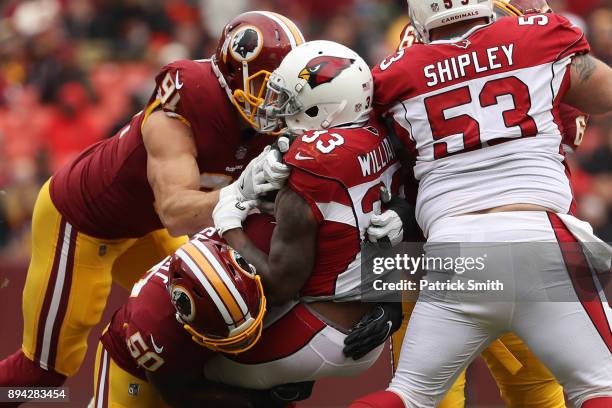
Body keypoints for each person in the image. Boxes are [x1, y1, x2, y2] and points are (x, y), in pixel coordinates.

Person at [0, 11, 304, 391]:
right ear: (231, 74)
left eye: (282, 90)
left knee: (212, 314)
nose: (274, 103)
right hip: (83, 222)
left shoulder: (274, 122)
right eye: (265, 87)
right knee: (44, 375)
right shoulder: (188, 99)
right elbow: (176, 211)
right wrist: (242, 193)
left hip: (147, 227)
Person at [352, 0, 612, 406]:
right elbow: (600, 96)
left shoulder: (392, 74)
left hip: (439, 251)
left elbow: (366, 177)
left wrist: (377, 289)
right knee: (573, 391)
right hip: (536, 236)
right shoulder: (537, 38)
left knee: (414, 397)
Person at [207, 40, 408, 390]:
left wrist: (228, 225)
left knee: (197, 369)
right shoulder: (378, 126)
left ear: (324, 108)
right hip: (368, 315)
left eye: (291, 101)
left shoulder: (312, 162)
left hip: (321, 324)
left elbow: (281, 285)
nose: (279, 109)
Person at [93, 214, 305, 407]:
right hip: (142, 370)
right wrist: (260, 400)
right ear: (183, 319)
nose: (245, 341)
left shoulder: (263, 237)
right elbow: (181, 396)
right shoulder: (156, 327)